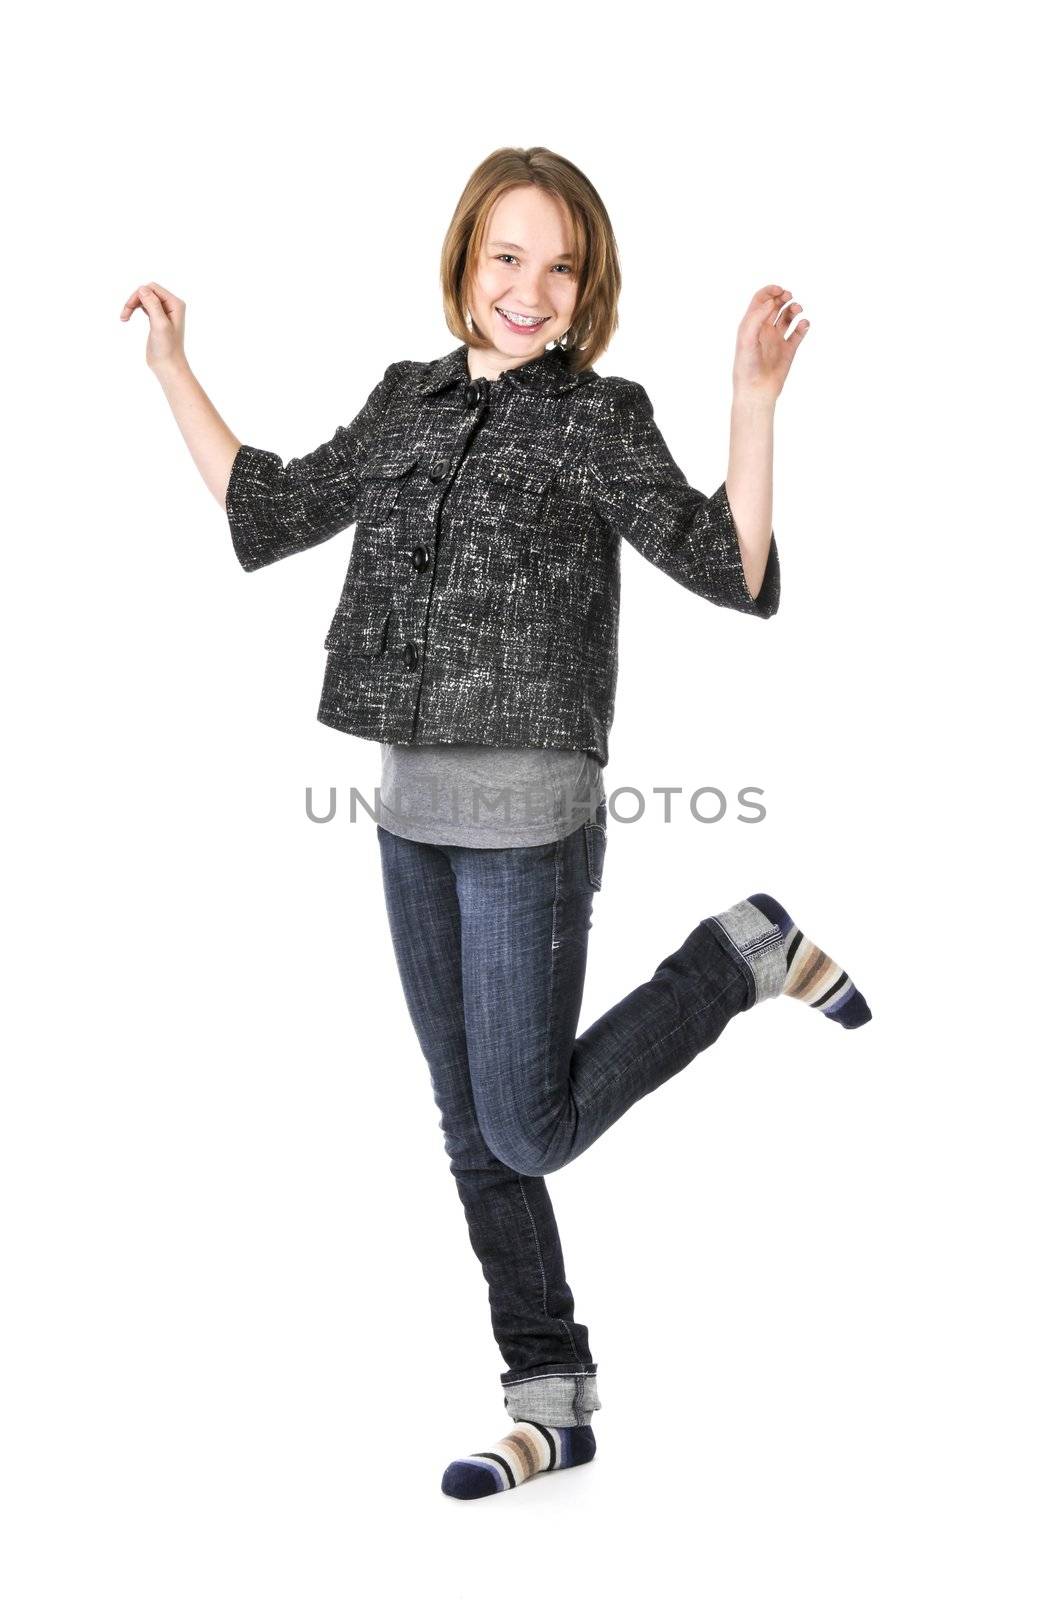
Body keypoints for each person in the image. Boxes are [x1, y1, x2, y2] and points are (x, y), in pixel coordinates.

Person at [122, 144, 871, 1502]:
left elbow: (727, 563)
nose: (530, 289)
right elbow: (275, 506)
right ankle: (550, 1401)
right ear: (467, 258)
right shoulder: (405, 403)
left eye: (562, 266)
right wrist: (175, 365)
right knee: (472, 1130)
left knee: (525, 1128)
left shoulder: (597, 418)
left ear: (588, 293)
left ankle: (738, 957)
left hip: (533, 821)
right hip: (410, 819)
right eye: (507, 256)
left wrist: (752, 405)